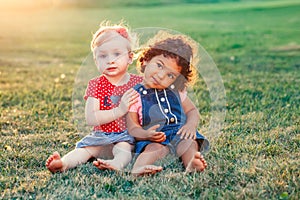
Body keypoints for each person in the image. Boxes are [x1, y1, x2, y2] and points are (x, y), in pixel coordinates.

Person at [46, 21, 143, 173]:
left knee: (123, 148)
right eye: (103, 56)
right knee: (85, 150)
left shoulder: (138, 83)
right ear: (96, 61)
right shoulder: (96, 84)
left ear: (130, 58)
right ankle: (63, 163)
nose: (110, 60)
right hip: (100, 135)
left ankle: (117, 164)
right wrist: (120, 109)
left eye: (117, 54)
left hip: (125, 135)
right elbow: (91, 118)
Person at [126, 31, 209, 176]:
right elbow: (133, 128)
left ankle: (191, 164)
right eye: (159, 65)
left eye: (170, 75)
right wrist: (146, 134)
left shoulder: (177, 92)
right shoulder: (134, 95)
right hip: (155, 138)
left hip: (179, 133)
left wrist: (190, 125)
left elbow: (192, 111)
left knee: (189, 143)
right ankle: (138, 168)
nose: (161, 75)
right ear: (146, 60)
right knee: (153, 149)